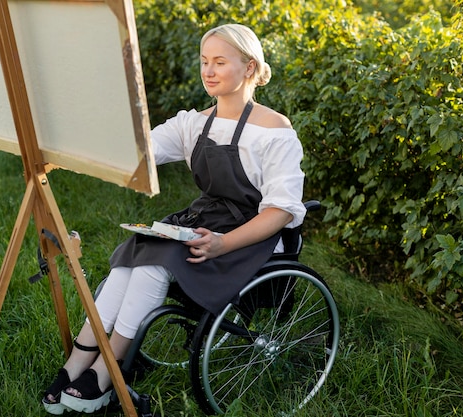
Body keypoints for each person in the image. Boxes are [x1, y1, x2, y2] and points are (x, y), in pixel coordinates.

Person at [42, 23, 306, 415]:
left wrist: (223, 243)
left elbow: (281, 210)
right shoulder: (195, 123)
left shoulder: (274, 131)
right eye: (204, 62)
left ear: (249, 68)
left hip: (255, 235)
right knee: (131, 258)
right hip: (207, 218)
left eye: (220, 62)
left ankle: (107, 372)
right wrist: (62, 153)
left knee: (153, 266)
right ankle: (80, 360)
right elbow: (138, 151)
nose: (209, 71)